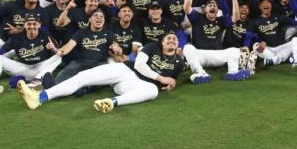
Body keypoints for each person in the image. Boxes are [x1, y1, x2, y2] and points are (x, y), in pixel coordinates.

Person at [17, 31, 184, 114]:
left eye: (174, 39)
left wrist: (172, 83)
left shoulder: (179, 62)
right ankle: (40, 97)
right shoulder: (152, 46)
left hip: (136, 85)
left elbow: (171, 81)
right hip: (124, 70)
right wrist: (162, 78)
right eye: (168, 38)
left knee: (153, 90)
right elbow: (139, 65)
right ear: (162, 42)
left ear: (177, 44)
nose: (171, 40)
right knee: (83, 77)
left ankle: (110, 102)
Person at [0, 13, 61, 97]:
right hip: (24, 69)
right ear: (25, 25)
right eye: (29, 24)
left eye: (34, 24)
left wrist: (54, 49)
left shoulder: (45, 35)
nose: (32, 26)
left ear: (39, 25)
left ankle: (37, 81)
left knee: (58, 57)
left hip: (41, 69)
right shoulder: (17, 37)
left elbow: (59, 52)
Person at [182, 0, 250, 83]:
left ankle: (232, 73)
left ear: (217, 10)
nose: (213, 7)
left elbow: (236, 17)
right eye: (210, 5)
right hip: (201, 55)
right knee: (187, 48)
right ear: (205, 9)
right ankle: (200, 73)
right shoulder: (198, 18)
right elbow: (186, 7)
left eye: (215, 6)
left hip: (217, 55)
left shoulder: (221, 20)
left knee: (234, 50)